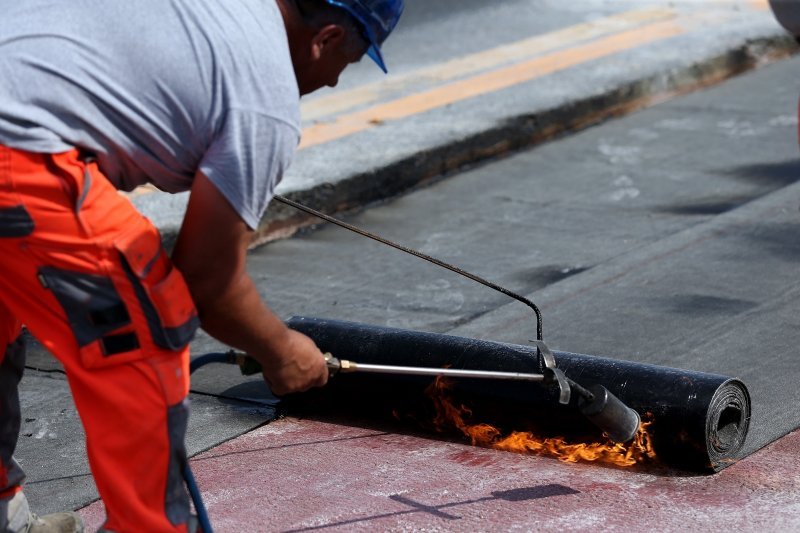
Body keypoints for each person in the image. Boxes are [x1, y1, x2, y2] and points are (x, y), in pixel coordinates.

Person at [0, 0, 403, 531]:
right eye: (346, 64)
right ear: (325, 39)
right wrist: (283, 353)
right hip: (18, 158)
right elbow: (208, 283)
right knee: (142, 332)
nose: (331, 84)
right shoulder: (265, 97)